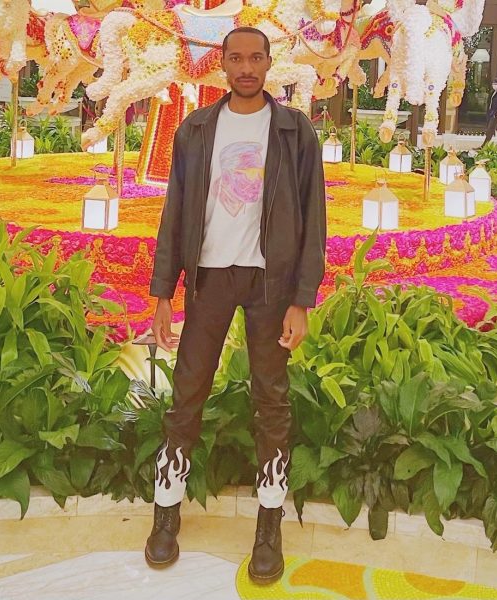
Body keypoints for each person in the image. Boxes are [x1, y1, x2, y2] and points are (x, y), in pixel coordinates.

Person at [145, 27, 326, 585]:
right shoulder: (197, 129)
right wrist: (162, 293)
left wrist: (301, 299)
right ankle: (165, 512)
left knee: (271, 399)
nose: (246, 66)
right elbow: (174, 211)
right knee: (186, 391)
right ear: (220, 63)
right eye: (236, 58)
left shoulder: (296, 131)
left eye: (256, 57)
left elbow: (314, 219)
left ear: (270, 63)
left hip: (269, 284)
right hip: (209, 280)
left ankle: (268, 525)